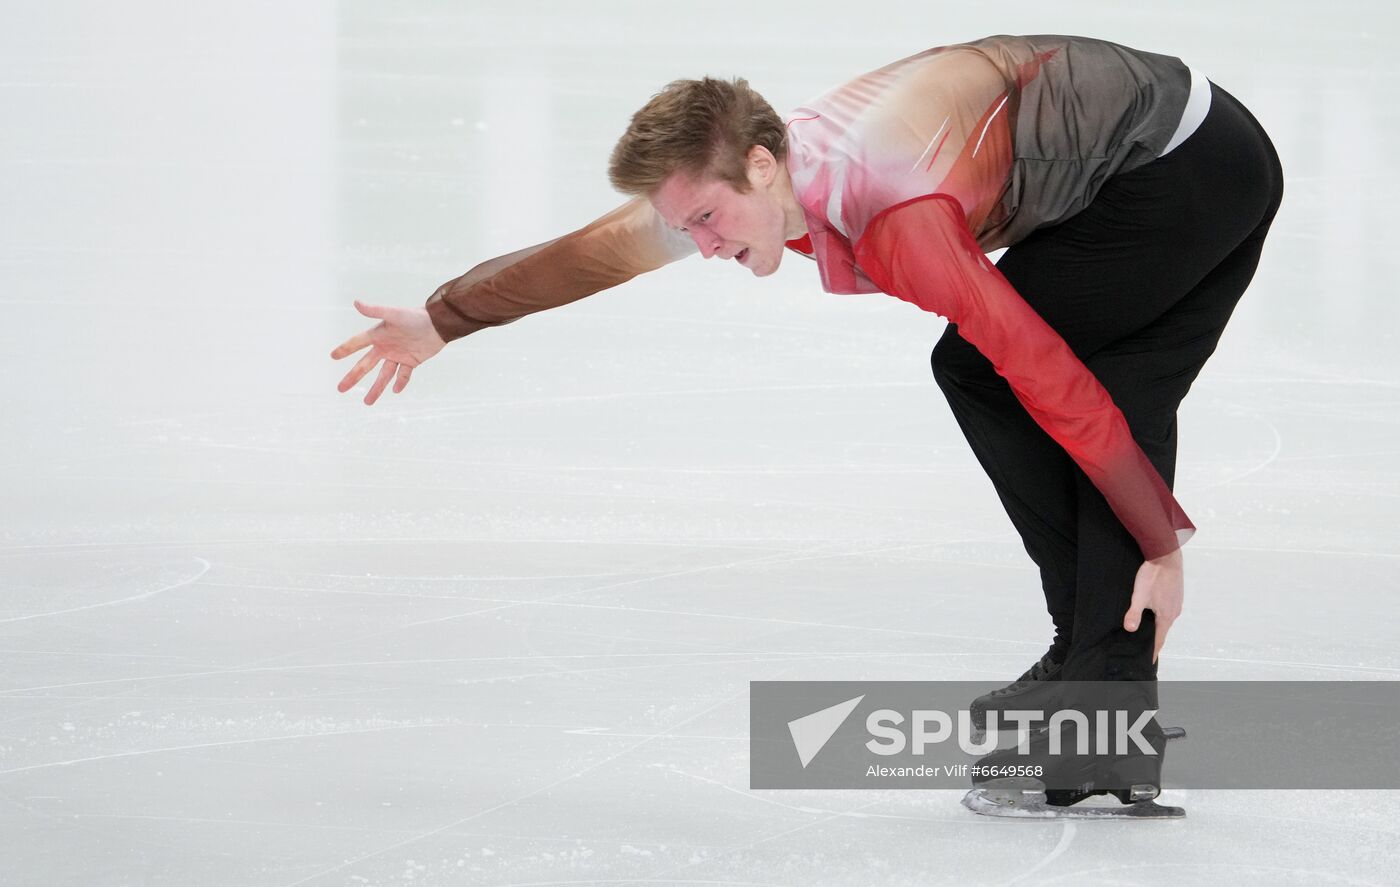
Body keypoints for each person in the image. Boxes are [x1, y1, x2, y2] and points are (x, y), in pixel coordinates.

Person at [330, 34, 1284, 810]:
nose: (700, 247)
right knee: (1071, 387)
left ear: (758, 163)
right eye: (688, 228)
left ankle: (1097, 697)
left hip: (1181, 171)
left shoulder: (899, 212)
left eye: (707, 221)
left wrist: (1164, 541)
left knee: (1007, 374)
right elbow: (589, 255)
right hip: (1175, 150)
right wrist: (447, 316)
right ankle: (1100, 686)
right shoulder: (744, 177)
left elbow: (1042, 372)